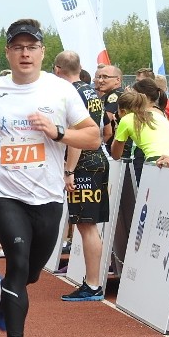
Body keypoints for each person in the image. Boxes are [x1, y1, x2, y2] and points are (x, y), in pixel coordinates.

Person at [0, 19, 100, 337]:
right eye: (17, 47)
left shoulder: (62, 91)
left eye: (31, 47)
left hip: (48, 197)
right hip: (7, 194)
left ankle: (1, 292)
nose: (24, 53)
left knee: (32, 273)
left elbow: (94, 137)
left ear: (41, 52)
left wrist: (58, 132)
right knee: (18, 263)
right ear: (8, 52)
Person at [53, 50, 109, 302]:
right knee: (89, 225)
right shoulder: (90, 91)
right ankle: (93, 283)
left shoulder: (71, 93)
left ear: (57, 70)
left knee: (86, 226)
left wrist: (69, 171)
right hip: (98, 158)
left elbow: (76, 137)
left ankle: (93, 285)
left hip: (84, 163)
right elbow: (105, 129)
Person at [111, 89, 169, 178]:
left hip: (158, 160)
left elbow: (116, 155)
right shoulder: (156, 114)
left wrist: (117, 127)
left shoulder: (126, 119)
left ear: (123, 111)